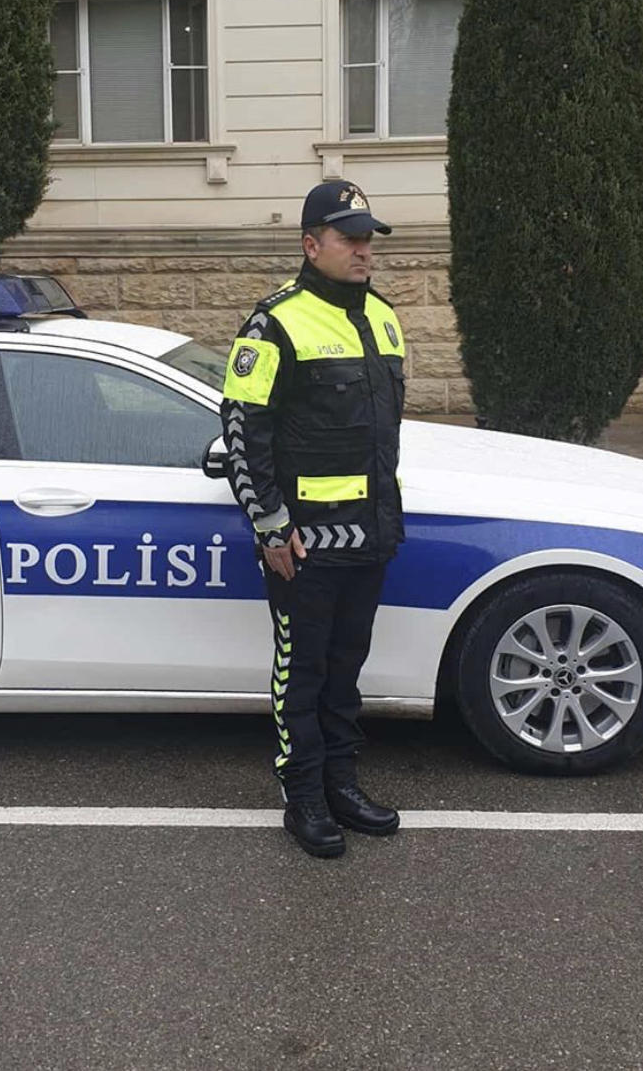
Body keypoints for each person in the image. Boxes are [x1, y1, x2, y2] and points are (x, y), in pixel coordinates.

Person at [219, 180, 406, 858]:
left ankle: (341, 783)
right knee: (303, 672)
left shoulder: (384, 317)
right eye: (349, 236)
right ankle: (303, 796)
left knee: (346, 670)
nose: (363, 249)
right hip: (305, 544)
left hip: (371, 537)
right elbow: (243, 429)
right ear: (311, 244)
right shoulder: (275, 322)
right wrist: (270, 524)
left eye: (367, 237)